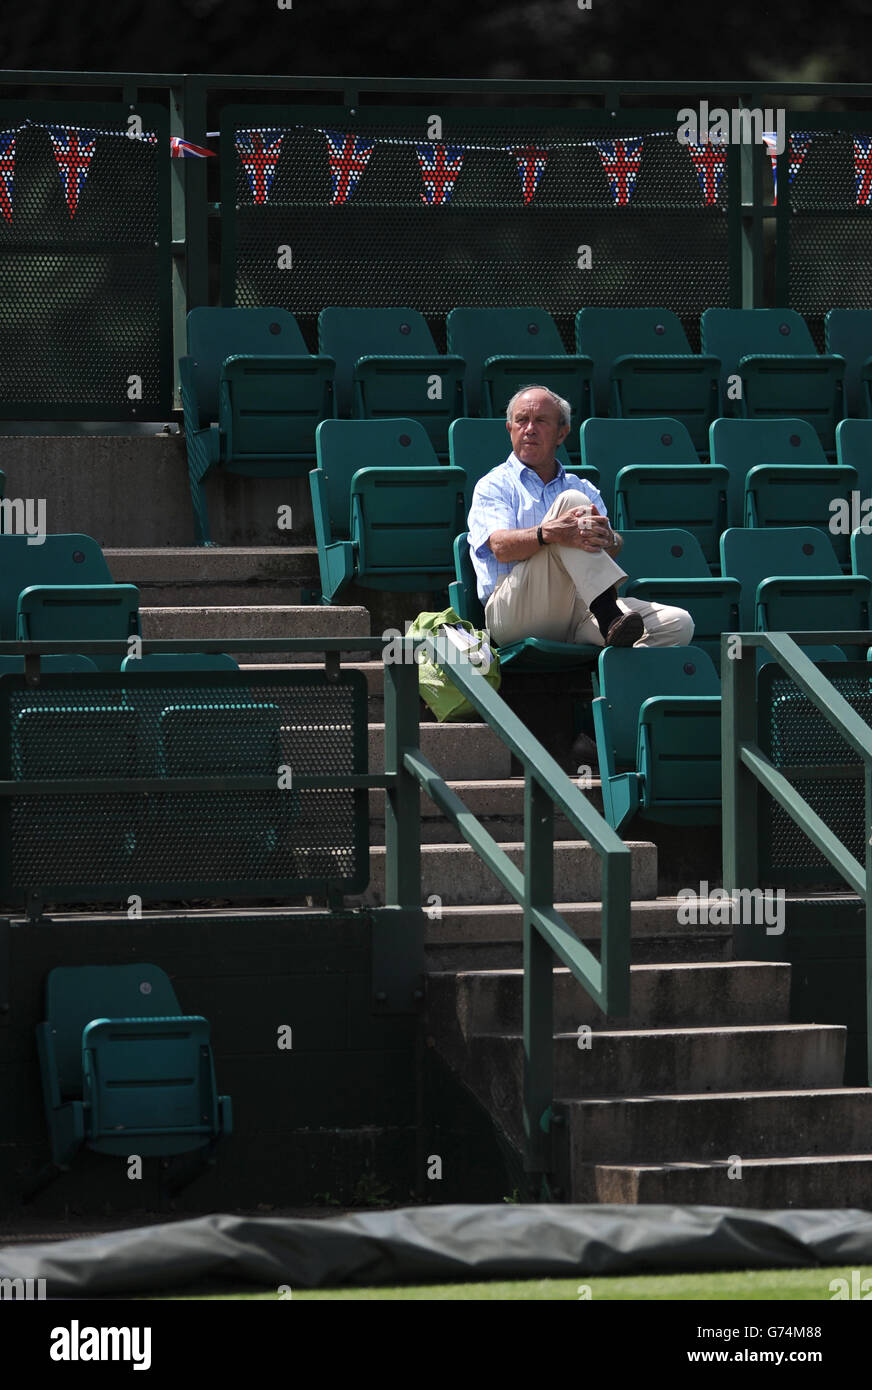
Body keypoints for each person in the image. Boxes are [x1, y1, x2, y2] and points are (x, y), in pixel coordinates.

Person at [466, 385, 695, 650]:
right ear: (510, 429)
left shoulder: (584, 486)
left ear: (561, 433)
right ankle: (609, 617)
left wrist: (610, 539)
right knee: (572, 503)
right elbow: (500, 548)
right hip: (515, 612)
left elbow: (604, 552)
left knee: (678, 624)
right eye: (521, 420)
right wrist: (548, 533)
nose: (529, 429)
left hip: (579, 610)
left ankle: (615, 673)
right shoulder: (494, 484)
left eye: (540, 421)